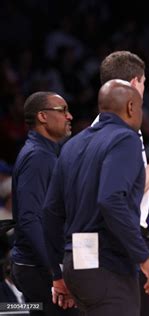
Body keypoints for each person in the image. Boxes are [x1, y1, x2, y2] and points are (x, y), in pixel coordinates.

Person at [42, 80, 149, 316]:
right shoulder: (126, 138)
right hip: (108, 264)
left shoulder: (72, 144)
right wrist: (144, 258)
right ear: (131, 107)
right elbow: (111, 200)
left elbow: (50, 212)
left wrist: (58, 273)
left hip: (76, 262)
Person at [96, 50, 149, 316]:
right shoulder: (123, 133)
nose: (144, 89)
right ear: (134, 84)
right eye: (143, 83)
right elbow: (127, 188)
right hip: (125, 244)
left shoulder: (94, 131)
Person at [10, 91, 77, 315]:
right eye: (63, 110)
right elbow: (29, 219)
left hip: (39, 267)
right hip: (38, 269)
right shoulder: (38, 156)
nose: (70, 116)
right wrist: (55, 274)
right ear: (43, 116)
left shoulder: (46, 153)